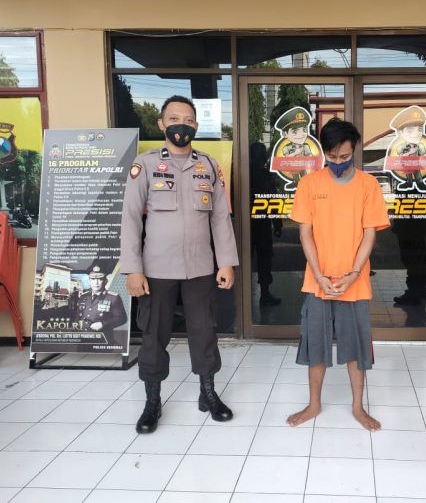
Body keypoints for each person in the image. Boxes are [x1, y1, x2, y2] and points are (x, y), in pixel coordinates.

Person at [120, 95, 239, 434]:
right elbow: (130, 218)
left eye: (188, 120)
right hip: (156, 269)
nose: (181, 125)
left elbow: (220, 218)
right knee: (154, 335)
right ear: (161, 124)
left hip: (200, 267)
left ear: (196, 126)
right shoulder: (144, 165)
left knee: (204, 332)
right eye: (174, 119)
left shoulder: (209, 166)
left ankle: (208, 394)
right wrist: (132, 269)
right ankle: (152, 401)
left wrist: (226, 263)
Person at [287, 118, 390, 431]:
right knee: (315, 346)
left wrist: (354, 273)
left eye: (344, 156)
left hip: (353, 282)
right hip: (317, 281)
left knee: (356, 347)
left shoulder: (368, 185)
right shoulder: (310, 184)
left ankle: (358, 407)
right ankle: (314, 404)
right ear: (324, 152)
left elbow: (369, 233)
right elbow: (305, 233)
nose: (338, 162)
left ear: (354, 150)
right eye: (331, 157)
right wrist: (319, 274)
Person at [249, 142, 282, 307]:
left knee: (247, 259)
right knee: (264, 259)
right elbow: (273, 202)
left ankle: (244, 295)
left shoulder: (243, 174)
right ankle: (264, 293)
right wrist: (278, 225)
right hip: (262, 224)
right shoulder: (266, 176)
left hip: (247, 225)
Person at [76, 265, 127, 344]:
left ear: (105, 281)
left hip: (102, 340)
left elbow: (122, 318)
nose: (96, 282)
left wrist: (103, 324)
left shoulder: (113, 297)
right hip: (83, 340)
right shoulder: (83, 297)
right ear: (89, 281)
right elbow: (78, 316)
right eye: (93, 279)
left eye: (100, 279)